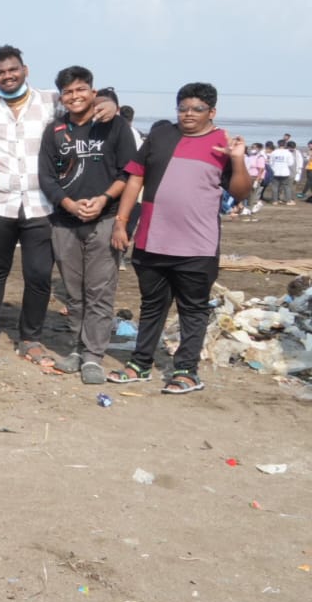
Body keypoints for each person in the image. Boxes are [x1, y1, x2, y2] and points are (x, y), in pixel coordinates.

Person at [109, 83, 251, 393]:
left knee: (193, 308)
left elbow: (241, 192)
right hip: (151, 239)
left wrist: (237, 159)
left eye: (197, 109)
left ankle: (187, 371)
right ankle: (140, 364)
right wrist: (121, 222)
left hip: (197, 245)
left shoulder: (223, 144)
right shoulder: (161, 137)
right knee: (152, 306)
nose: (188, 114)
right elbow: (135, 180)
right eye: (182, 108)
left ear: (211, 112)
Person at [38, 66, 136, 382]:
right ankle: (77, 349)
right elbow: (47, 178)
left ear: (93, 92)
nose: (75, 96)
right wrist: (67, 203)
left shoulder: (114, 126)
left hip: (104, 219)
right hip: (64, 222)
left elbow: (128, 173)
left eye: (81, 89)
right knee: (74, 293)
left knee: (100, 291)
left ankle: (93, 355)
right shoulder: (54, 131)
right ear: (62, 98)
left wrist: (104, 200)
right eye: (68, 92)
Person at [0, 45, 58, 366]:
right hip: (0, 203)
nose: (7, 76)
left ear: (25, 70)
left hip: (41, 204)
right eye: (0, 73)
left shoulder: (51, 101)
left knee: (38, 275)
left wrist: (104, 102)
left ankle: (30, 338)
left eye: (12, 70)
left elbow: (88, 100)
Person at [269, 137, 295, 204]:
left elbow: (270, 163)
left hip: (275, 171)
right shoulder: (288, 153)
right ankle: (288, 201)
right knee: (286, 187)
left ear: (278, 144)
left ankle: (275, 200)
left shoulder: (274, 152)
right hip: (285, 172)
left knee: (275, 186)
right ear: (285, 145)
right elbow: (291, 163)